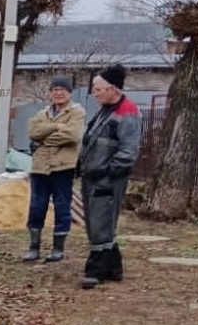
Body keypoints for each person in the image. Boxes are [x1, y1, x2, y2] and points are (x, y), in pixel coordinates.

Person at [76, 63, 141, 289]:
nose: (94, 93)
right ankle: (114, 268)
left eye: (97, 89)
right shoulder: (106, 110)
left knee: (100, 224)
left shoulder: (127, 112)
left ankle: (96, 270)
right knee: (98, 223)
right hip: (92, 175)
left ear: (112, 89)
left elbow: (128, 151)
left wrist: (108, 173)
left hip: (107, 178)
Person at [24, 75, 85, 262]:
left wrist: (44, 140)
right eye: (55, 90)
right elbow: (32, 132)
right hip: (40, 167)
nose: (58, 93)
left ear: (69, 93)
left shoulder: (77, 112)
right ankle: (34, 247)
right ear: (50, 93)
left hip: (63, 167)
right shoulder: (43, 113)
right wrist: (57, 126)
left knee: (62, 205)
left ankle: (58, 248)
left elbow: (73, 136)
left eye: (62, 90)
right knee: (36, 206)